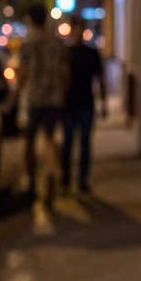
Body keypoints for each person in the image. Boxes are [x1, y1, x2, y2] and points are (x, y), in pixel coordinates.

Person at [16, 3, 69, 204]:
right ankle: (51, 173)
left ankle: (31, 182)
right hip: (54, 99)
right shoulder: (57, 43)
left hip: (34, 99)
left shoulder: (28, 44)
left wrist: (16, 94)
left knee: (29, 141)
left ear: (30, 20)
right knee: (50, 138)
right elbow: (65, 72)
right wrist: (63, 93)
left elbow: (23, 71)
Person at [61, 18, 106, 194]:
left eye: (81, 30)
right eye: (76, 30)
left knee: (85, 143)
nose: (79, 34)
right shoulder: (66, 53)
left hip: (86, 103)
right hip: (68, 104)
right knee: (67, 143)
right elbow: (61, 79)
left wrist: (103, 103)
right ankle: (65, 178)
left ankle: (82, 180)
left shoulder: (91, 53)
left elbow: (100, 79)